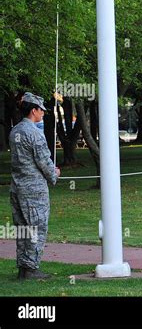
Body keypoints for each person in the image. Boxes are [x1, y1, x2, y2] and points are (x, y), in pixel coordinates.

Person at [10, 93, 60, 280]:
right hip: (34, 189)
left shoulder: (14, 131)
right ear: (34, 110)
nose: (43, 114)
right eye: (42, 110)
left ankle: (23, 267)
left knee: (23, 228)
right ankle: (31, 268)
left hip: (17, 187)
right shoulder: (34, 134)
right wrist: (54, 174)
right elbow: (43, 161)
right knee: (36, 227)